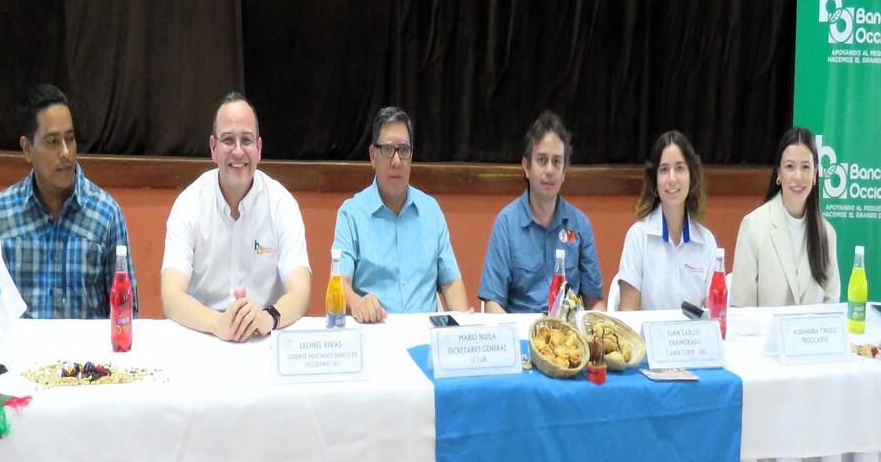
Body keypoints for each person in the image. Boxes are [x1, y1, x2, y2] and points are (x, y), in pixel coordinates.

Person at [161, 92, 311, 341]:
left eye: (247, 140)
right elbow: (170, 295)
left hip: (264, 337)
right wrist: (218, 323)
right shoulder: (188, 204)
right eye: (228, 140)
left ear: (259, 148)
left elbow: (301, 291)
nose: (239, 151)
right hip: (205, 335)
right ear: (213, 148)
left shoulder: (282, 205)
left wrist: (268, 316)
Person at [0, 84, 138, 319]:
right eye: (53, 142)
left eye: (70, 138)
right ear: (27, 149)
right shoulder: (1, 215)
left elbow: (126, 312)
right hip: (20, 353)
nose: (66, 152)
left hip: (88, 354)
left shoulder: (106, 215)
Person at [332, 106, 469, 322]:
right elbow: (340, 283)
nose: (396, 161)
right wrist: (358, 303)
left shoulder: (430, 211)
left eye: (403, 150)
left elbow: (451, 283)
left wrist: (462, 324)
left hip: (426, 336)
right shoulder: (351, 214)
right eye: (387, 150)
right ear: (372, 156)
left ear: (411, 156)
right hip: (375, 332)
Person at [478, 112, 603, 313]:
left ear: (564, 173)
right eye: (542, 160)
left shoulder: (580, 225)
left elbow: (594, 302)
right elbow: (493, 303)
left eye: (557, 162)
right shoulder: (506, 224)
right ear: (526, 167)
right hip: (522, 336)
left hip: (568, 339)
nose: (550, 170)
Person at [730, 126, 840, 307]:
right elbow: (741, 309)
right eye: (790, 167)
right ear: (779, 173)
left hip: (810, 335)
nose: (798, 176)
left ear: (815, 174)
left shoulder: (827, 234)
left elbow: (831, 304)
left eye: (806, 167)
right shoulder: (753, 226)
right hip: (764, 335)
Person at [616, 130, 717, 312]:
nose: (672, 179)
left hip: (692, 340)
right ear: (655, 181)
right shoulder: (638, 237)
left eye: (679, 168)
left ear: (691, 177)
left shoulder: (707, 242)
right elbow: (627, 315)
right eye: (664, 170)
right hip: (647, 340)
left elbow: (714, 317)